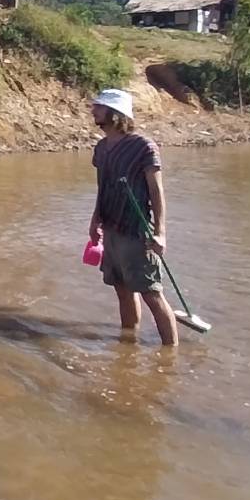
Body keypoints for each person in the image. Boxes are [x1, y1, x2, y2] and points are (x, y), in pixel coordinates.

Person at [87, 88, 179, 347]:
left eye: (99, 107)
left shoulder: (143, 147)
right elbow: (102, 186)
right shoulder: (101, 148)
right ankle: (128, 345)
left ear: (115, 114)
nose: (93, 111)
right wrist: (95, 220)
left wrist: (160, 233)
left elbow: (156, 191)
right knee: (122, 290)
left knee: (152, 294)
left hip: (137, 232)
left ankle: (171, 355)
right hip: (111, 229)